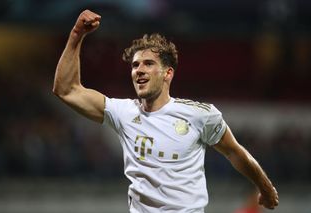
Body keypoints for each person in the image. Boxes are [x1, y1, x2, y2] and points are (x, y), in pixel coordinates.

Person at [53, 9, 279, 213]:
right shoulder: (122, 112)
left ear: (167, 73)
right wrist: (76, 35)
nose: (139, 70)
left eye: (148, 64)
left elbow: (234, 152)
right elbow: (66, 90)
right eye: (135, 65)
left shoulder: (200, 115)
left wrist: (265, 188)